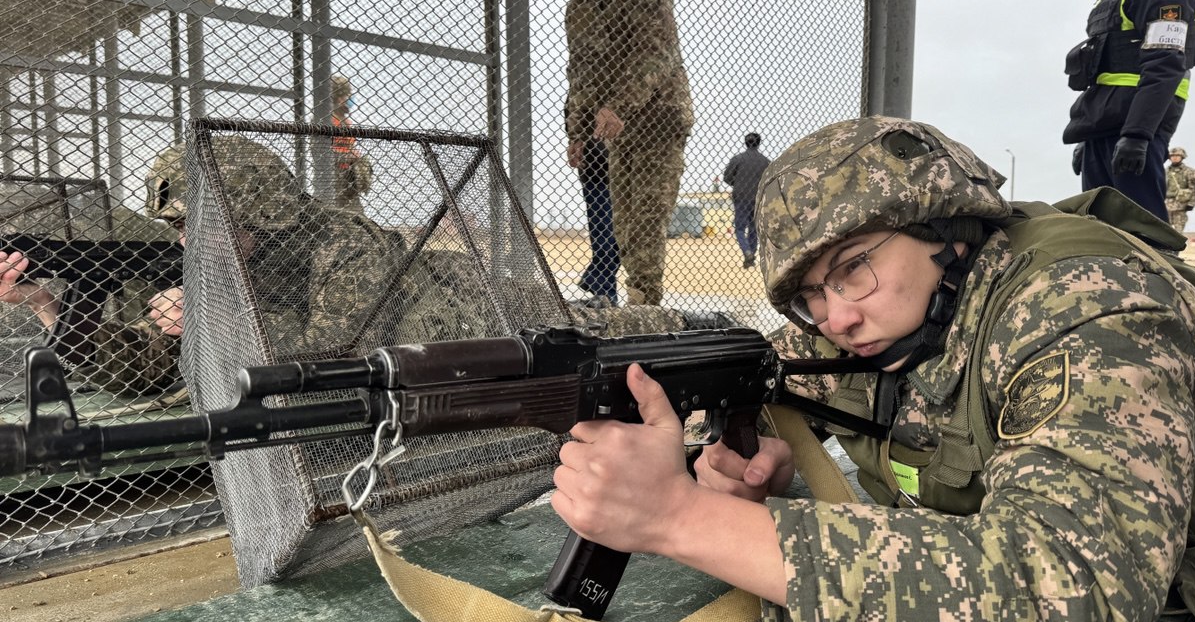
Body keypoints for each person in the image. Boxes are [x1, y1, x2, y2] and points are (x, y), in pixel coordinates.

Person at [551, 115, 1195, 622]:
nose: (838, 317)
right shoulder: (878, 319)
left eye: (854, 265)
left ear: (946, 229)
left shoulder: (1083, 303)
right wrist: (751, 455)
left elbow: (1070, 607)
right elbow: (774, 381)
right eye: (810, 296)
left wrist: (680, 518)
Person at [0, 140, 715, 394]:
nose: (187, 246)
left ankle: (699, 326)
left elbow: (334, 348)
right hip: (443, 351)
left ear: (252, 212)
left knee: (604, 328)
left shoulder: (338, 241)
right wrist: (46, 307)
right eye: (179, 231)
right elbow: (147, 371)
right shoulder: (216, 266)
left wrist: (214, 319)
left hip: (474, 307)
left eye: (196, 227)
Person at [560, 0, 694, 306]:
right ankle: (636, 301)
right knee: (622, 224)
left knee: (647, 222)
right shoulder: (579, 9)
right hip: (617, 129)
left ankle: (644, 304)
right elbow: (580, 75)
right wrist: (578, 133)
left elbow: (657, 55)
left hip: (658, 117)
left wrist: (617, 105)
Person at [1064, 0, 1195, 222]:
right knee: (1100, 229)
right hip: (1109, 122)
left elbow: (1166, 64)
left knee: (1144, 234)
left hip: (1138, 122)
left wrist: (1137, 135)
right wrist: (1091, 134)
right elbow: (1106, 64)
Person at [570, 137, 620, 305]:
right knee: (605, 232)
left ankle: (596, 279)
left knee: (625, 235)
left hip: (627, 166)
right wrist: (576, 139)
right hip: (596, 166)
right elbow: (575, 114)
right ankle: (605, 292)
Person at [723, 132, 771, 268]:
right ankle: (752, 254)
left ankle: (747, 251)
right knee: (754, 228)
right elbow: (769, 180)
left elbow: (727, 177)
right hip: (758, 198)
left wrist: (738, 183)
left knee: (739, 228)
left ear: (745, 143)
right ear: (759, 143)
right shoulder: (765, 161)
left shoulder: (738, 159)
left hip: (741, 197)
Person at [330, 75, 374, 213]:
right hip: (333, 179)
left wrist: (358, 160)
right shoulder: (326, 120)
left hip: (350, 181)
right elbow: (320, 152)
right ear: (338, 98)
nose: (350, 99)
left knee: (356, 215)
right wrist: (347, 157)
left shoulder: (347, 123)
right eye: (346, 96)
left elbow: (349, 147)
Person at [1163, 146, 1195, 234]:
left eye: (1177, 155)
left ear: (1182, 157)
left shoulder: (1189, 171)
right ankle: (1164, 248)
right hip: (1166, 205)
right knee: (1165, 230)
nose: (1174, 157)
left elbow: (1193, 188)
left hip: (1181, 205)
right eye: (1172, 156)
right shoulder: (1165, 171)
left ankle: (1177, 247)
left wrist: (1191, 203)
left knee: (1179, 231)